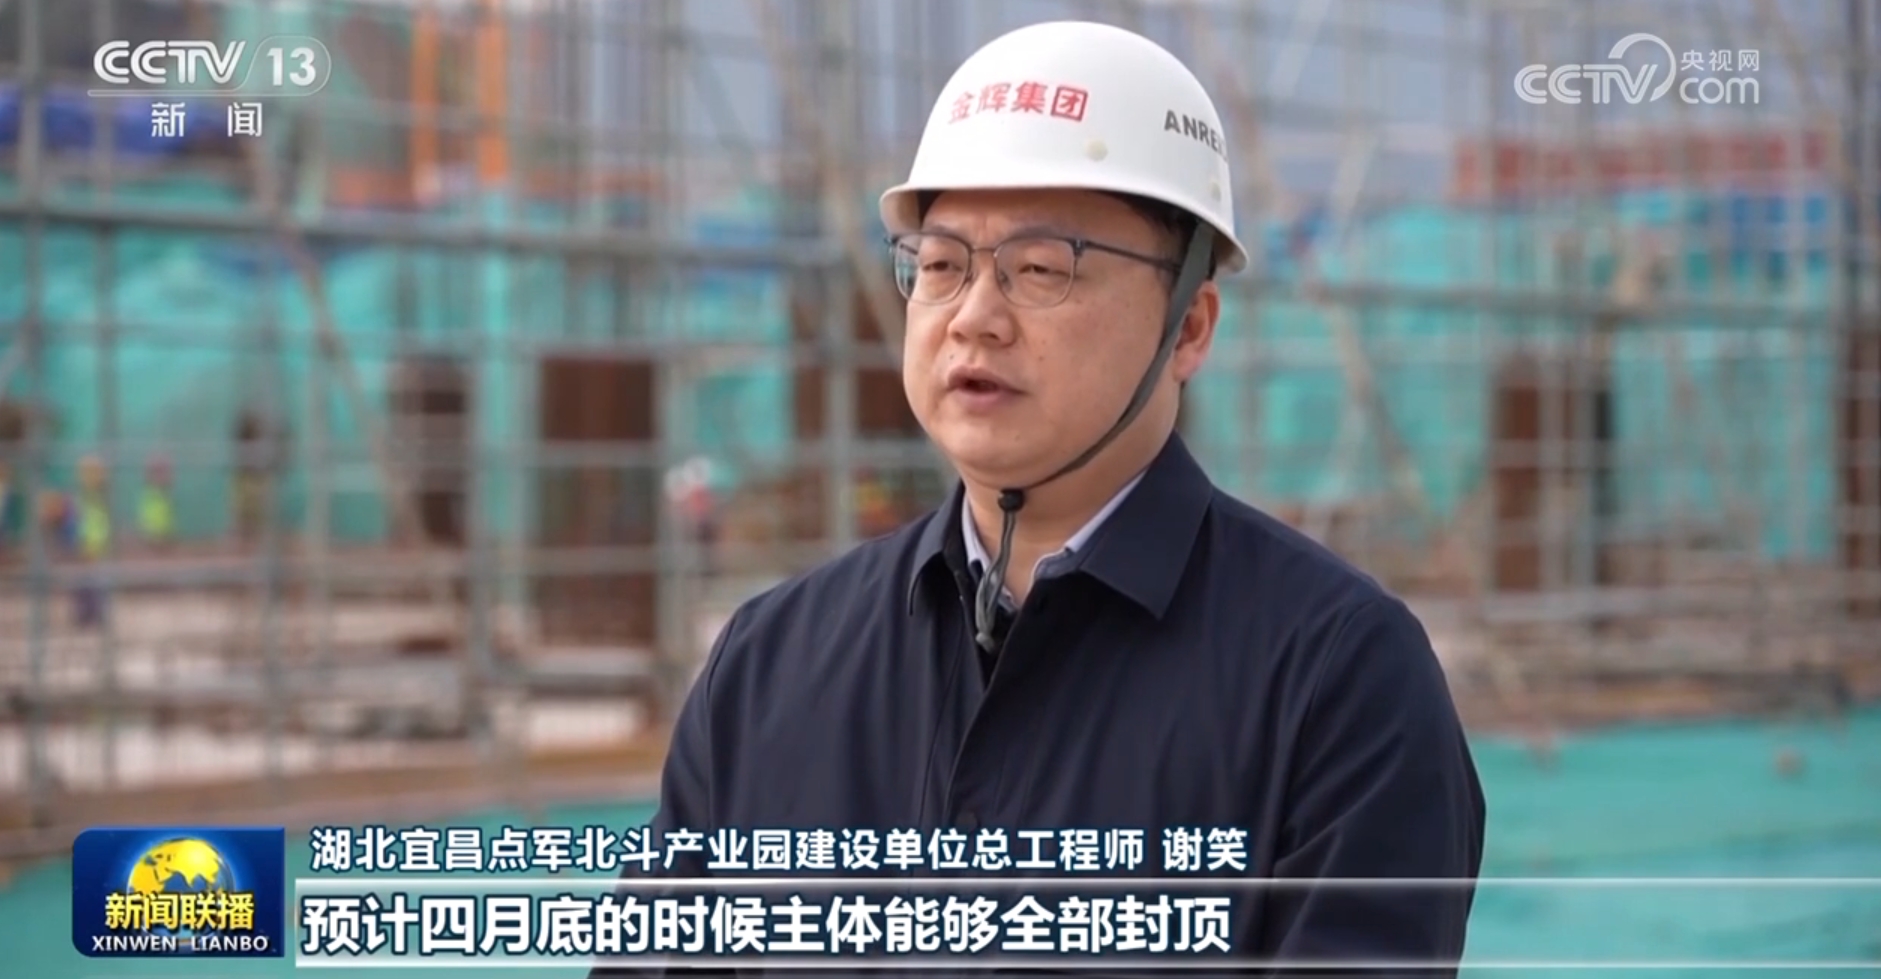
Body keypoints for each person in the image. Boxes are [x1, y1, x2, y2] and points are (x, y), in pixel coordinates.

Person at [591, 20, 1484, 977]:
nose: (974, 317)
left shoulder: (1336, 677)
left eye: (1041, 267)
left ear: (1188, 327)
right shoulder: (770, 662)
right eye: (940, 264)